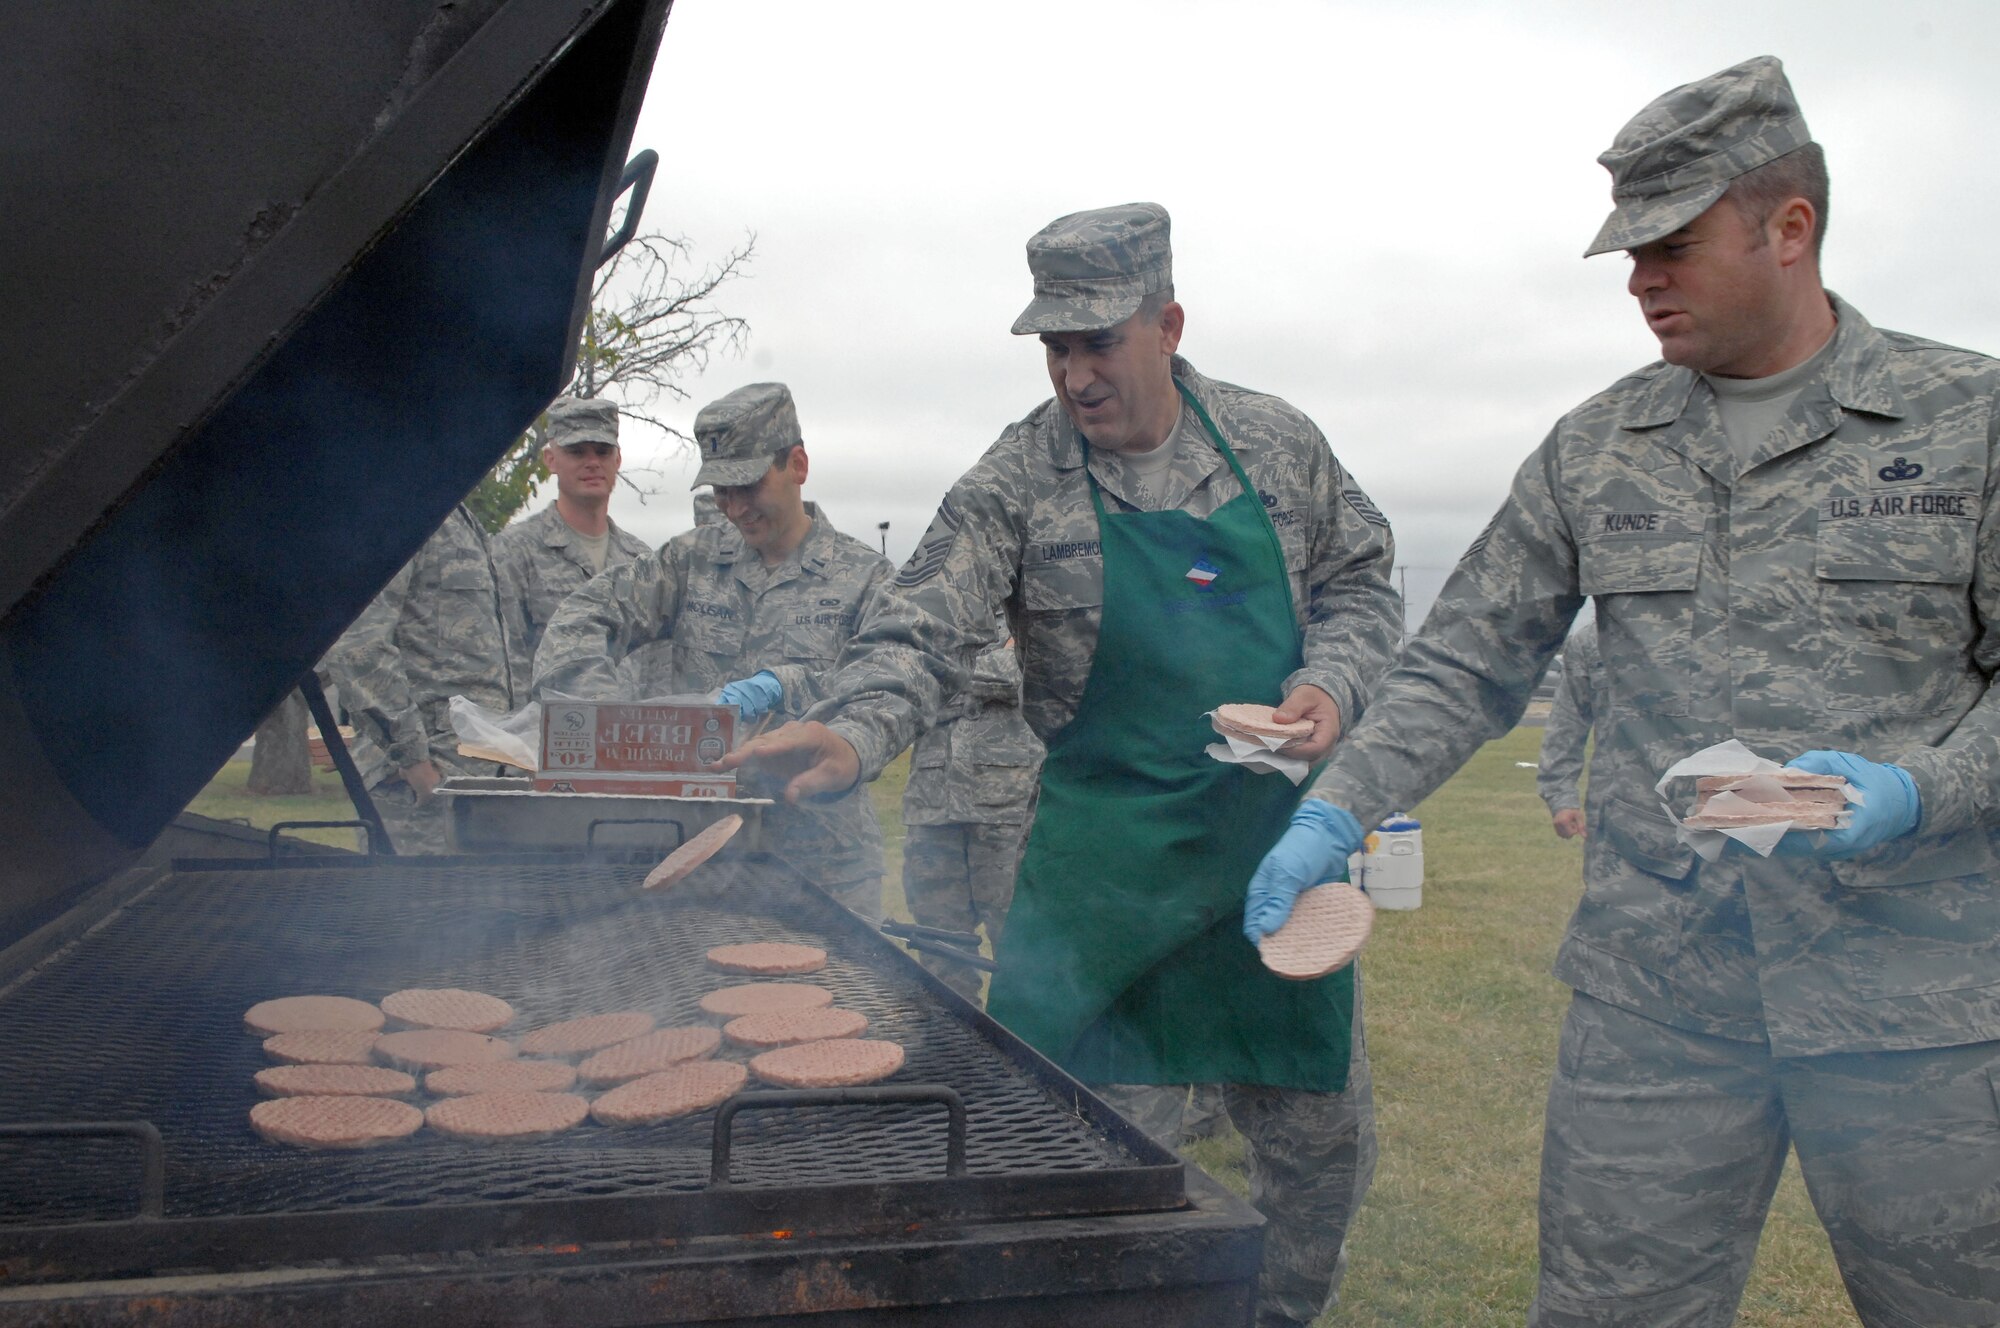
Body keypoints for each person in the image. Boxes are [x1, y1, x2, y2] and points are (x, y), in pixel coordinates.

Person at [1246, 57, 2000, 1327]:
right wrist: (1339, 806)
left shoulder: (1966, 421)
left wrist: (1927, 786)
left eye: (1671, 243)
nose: (1641, 278)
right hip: (1659, 1000)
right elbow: (1462, 659)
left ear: (1788, 227)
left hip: (1913, 1004)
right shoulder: (1599, 445)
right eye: (1628, 251)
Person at [722, 203, 1401, 1328]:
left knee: (1318, 1155)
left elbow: (1362, 583)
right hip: (1099, 872)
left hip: (1269, 862)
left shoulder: (1275, 443)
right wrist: (854, 728)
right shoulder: (1017, 476)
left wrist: (1329, 681)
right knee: (1060, 1161)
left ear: (1167, 323)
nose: (1075, 374)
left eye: (1098, 342)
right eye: (1055, 346)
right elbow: (922, 625)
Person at [532, 382, 893, 920]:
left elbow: (885, 692)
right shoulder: (690, 562)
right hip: (701, 857)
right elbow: (584, 617)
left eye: (747, 485)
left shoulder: (868, 579)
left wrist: (789, 688)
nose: (734, 508)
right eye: (721, 491)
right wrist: (601, 713)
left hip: (823, 864)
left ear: (797, 464)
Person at [320, 503, 515, 853]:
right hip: (419, 793)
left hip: (477, 788)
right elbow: (356, 644)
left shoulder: (460, 516)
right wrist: (414, 763)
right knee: (414, 907)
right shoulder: (400, 511)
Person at [898, 629, 1042, 1002]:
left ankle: (1023, 1055)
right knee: (939, 952)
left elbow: (1033, 672)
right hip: (932, 808)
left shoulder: (1026, 609)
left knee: (1020, 949)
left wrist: (937, 670)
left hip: (1006, 808)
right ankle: (950, 1054)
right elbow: (900, 677)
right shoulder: (929, 616)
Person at [490, 396, 653, 689]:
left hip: (628, 729)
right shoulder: (515, 550)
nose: (592, 463)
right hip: (542, 729)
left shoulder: (641, 560)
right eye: (577, 452)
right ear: (551, 460)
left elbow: (656, 663)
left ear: (617, 460)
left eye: (602, 452)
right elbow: (504, 659)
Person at [1536, 616, 1603, 840]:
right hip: (1619, 815)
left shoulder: (1713, 628)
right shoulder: (1592, 641)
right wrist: (1560, 796)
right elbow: (1567, 722)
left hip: (1710, 806)